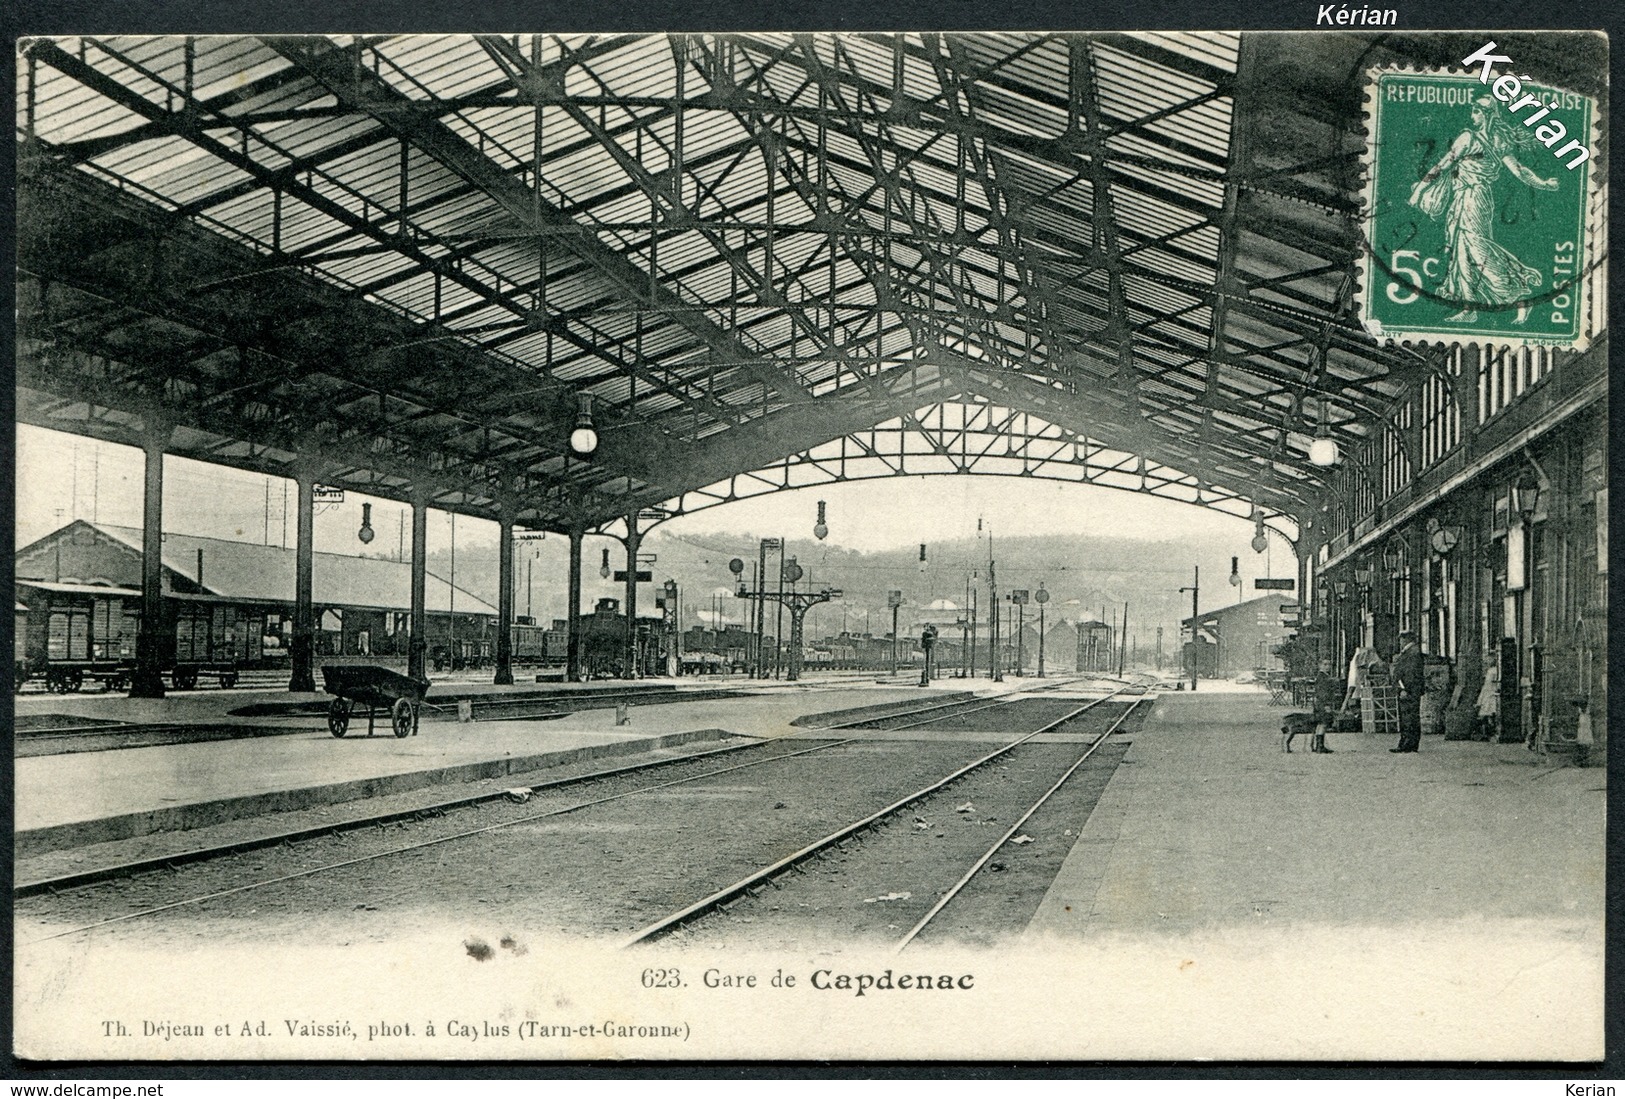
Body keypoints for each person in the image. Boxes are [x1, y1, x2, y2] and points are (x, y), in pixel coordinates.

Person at [1408, 95, 1560, 324]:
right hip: (1465, 198)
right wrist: (1543, 183)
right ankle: (1470, 308)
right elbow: (1446, 164)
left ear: (1486, 114)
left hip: (1474, 198)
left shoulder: (1476, 138)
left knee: (1477, 249)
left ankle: (1518, 295)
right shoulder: (1487, 138)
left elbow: (1444, 166)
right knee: (1462, 252)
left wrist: (1419, 189)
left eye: (1476, 112)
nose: (1472, 116)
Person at [1390, 630, 1424, 753]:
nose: (1400, 642)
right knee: (1408, 717)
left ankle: (1408, 744)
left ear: (1406, 639)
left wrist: (1404, 689)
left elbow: (1410, 674)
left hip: (1409, 690)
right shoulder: (1411, 651)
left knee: (1408, 717)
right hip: (1410, 690)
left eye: (1401, 639)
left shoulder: (1412, 652)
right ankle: (1407, 743)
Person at [1311, 659, 1340, 753]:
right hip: (1323, 703)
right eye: (1325, 664)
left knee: (1320, 723)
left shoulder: (1322, 677)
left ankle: (1319, 745)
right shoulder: (1323, 678)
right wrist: (1326, 704)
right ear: (1320, 665)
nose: (1327, 666)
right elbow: (1323, 693)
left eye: (1329, 664)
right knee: (1323, 724)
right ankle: (1320, 746)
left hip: (1319, 703)